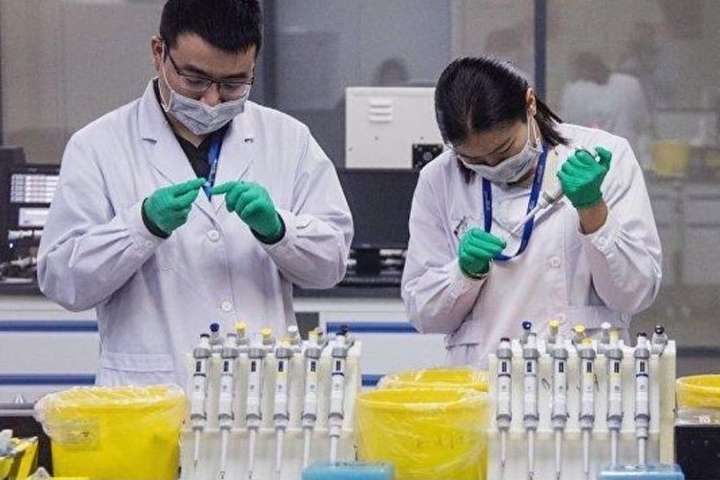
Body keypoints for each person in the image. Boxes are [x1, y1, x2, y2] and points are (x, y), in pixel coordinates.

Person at [38, 0, 353, 386]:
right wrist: (140, 226)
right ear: (159, 52)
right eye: (195, 79)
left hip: (260, 395)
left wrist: (279, 231)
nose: (212, 100)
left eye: (233, 83)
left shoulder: (289, 139)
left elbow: (331, 265)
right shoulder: (97, 146)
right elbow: (63, 281)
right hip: (149, 395)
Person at [401, 56, 661, 367]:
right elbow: (423, 314)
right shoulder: (439, 179)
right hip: (483, 377)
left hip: (583, 373)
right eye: (475, 160)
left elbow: (635, 294)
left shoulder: (601, 156)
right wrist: (462, 273)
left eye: (504, 150)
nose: (495, 167)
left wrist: (593, 209)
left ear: (530, 103)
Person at [560, 52, 650, 161]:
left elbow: (568, 130)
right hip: (626, 157)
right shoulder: (630, 84)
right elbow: (642, 123)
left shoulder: (573, 91)